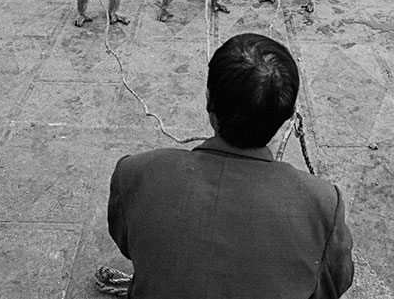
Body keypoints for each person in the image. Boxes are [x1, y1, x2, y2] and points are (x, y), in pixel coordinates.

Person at [106, 33, 355, 299]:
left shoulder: (136, 173)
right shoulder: (322, 203)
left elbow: (127, 243)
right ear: (287, 117)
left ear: (208, 100)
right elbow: (333, 284)